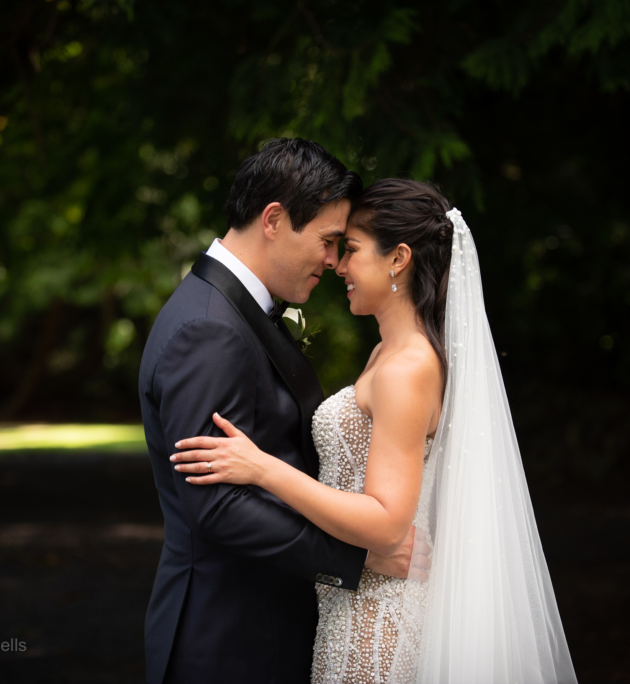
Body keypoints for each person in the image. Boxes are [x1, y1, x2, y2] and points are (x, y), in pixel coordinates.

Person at [173, 179, 578, 683]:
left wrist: (263, 468)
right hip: (352, 607)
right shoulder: (387, 354)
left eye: (353, 250)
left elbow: (388, 524)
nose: (339, 265)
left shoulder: (406, 370)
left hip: (375, 626)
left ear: (399, 258)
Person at [138, 140, 422, 684]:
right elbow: (216, 505)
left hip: (258, 628)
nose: (334, 261)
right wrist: (354, 561)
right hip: (231, 641)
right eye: (328, 241)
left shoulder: (229, 312)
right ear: (274, 219)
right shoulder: (209, 329)